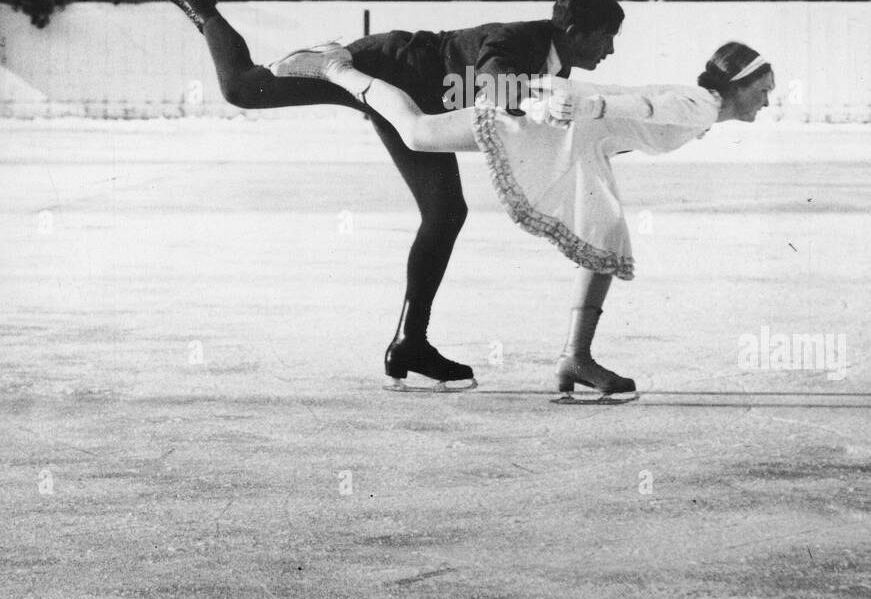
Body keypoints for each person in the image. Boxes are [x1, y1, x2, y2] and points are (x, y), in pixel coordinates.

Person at [127, 0, 624, 392]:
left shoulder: (550, 58)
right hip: (383, 66)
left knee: (446, 212)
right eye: (606, 37)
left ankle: (411, 342)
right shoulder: (525, 40)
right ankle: (195, 0)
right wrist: (541, 105)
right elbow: (495, 84)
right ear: (576, 31)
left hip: (413, 100)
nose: (611, 49)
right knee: (242, 88)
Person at [277, 40, 774, 401]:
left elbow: (634, 115)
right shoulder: (701, 107)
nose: (767, 101)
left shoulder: (700, 108)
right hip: (548, 125)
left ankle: (575, 357)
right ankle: (336, 67)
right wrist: (590, 104)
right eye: (763, 89)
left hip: (570, 138)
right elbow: (641, 103)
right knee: (417, 133)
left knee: (607, 236)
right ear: (739, 85)